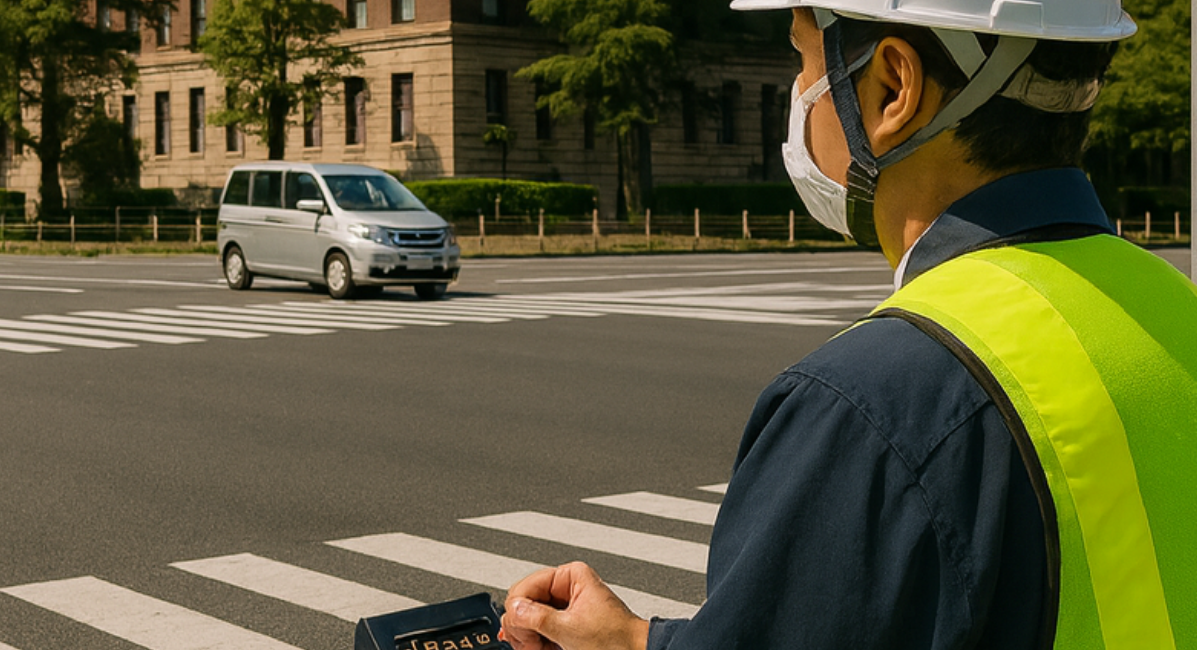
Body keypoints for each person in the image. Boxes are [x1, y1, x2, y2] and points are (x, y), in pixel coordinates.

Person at [497, 1, 1196, 648]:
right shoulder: (1173, 307)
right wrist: (634, 640)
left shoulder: (874, 401)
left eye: (805, 59)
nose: (799, 95)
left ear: (894, 87)